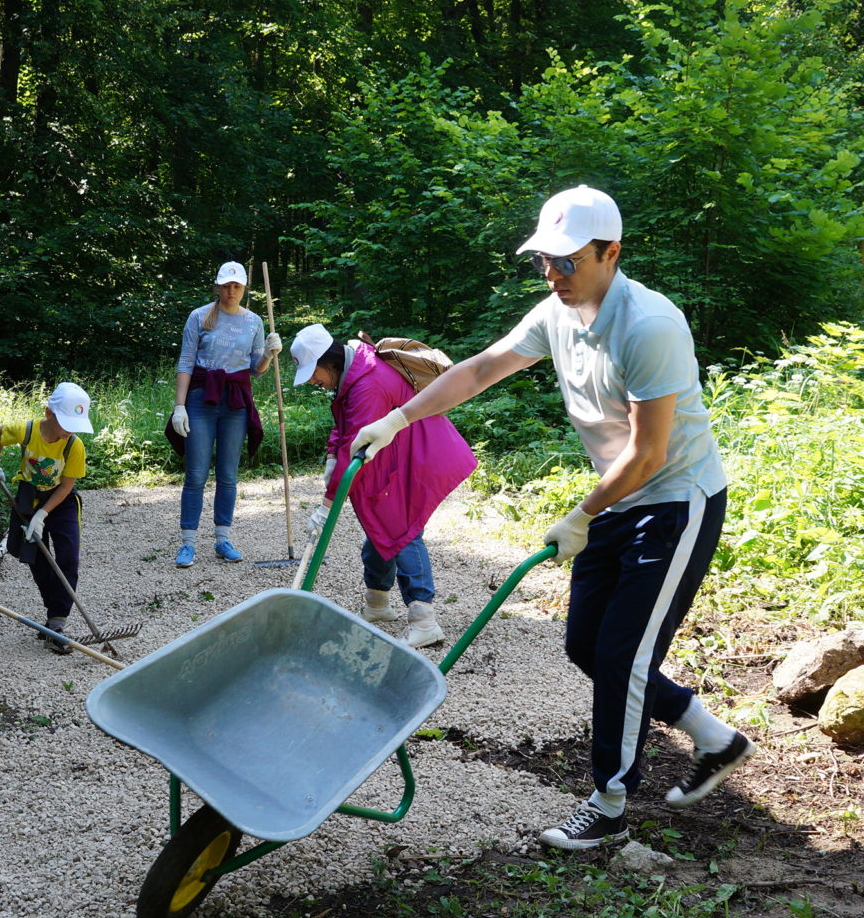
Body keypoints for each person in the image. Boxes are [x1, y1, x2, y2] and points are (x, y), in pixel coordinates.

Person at [352, 185, 754, 850]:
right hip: (614, 499)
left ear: (610, 253)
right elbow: (482, 369)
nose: (553, 274)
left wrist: (579, 515)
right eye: (544, 260)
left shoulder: (648, 326)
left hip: (674, 503)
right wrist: (398, 418)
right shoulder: (557, 313)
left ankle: (608, 806)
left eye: (567, 261)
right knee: (584, 646)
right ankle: (712, 736)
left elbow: (649, 451)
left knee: (622, 657)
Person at [292, 324, 476, 648]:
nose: (311, 380)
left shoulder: (368, 383)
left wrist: (326, 505)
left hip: (417, 456)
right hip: (396, 454)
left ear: (328, 361)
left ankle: (424, 620)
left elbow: (355, 441)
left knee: (402, 531)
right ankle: (377, 604)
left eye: (312, 372)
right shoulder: (354, 371)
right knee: (380, 529)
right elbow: (345, 424)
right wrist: (332, 456)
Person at [166, 261, 282, 566]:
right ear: (217, 286)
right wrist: (179, 406)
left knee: (228, 475)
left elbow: (256, 369)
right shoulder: (199, 316)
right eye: (226, 285)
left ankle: (223, 539)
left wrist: (269, 354)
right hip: (201, 399)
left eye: (237, 286)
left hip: (235, 401)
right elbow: (186, 361)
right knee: (196, 474)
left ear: (244, 289)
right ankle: (188, 543)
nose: (231, 291)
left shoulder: (254, 321)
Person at [0, 381, 94, 654]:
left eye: (74, 425)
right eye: (65, 423)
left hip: (62, 502)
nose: (69, 431)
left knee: (68, 557)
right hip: (27, 499)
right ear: (48, 413)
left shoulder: (74, 446)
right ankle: (53, 616)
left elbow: (67, 485)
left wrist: (44, 514)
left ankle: (58, 620)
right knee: (36, 556)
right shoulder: (28, 430)